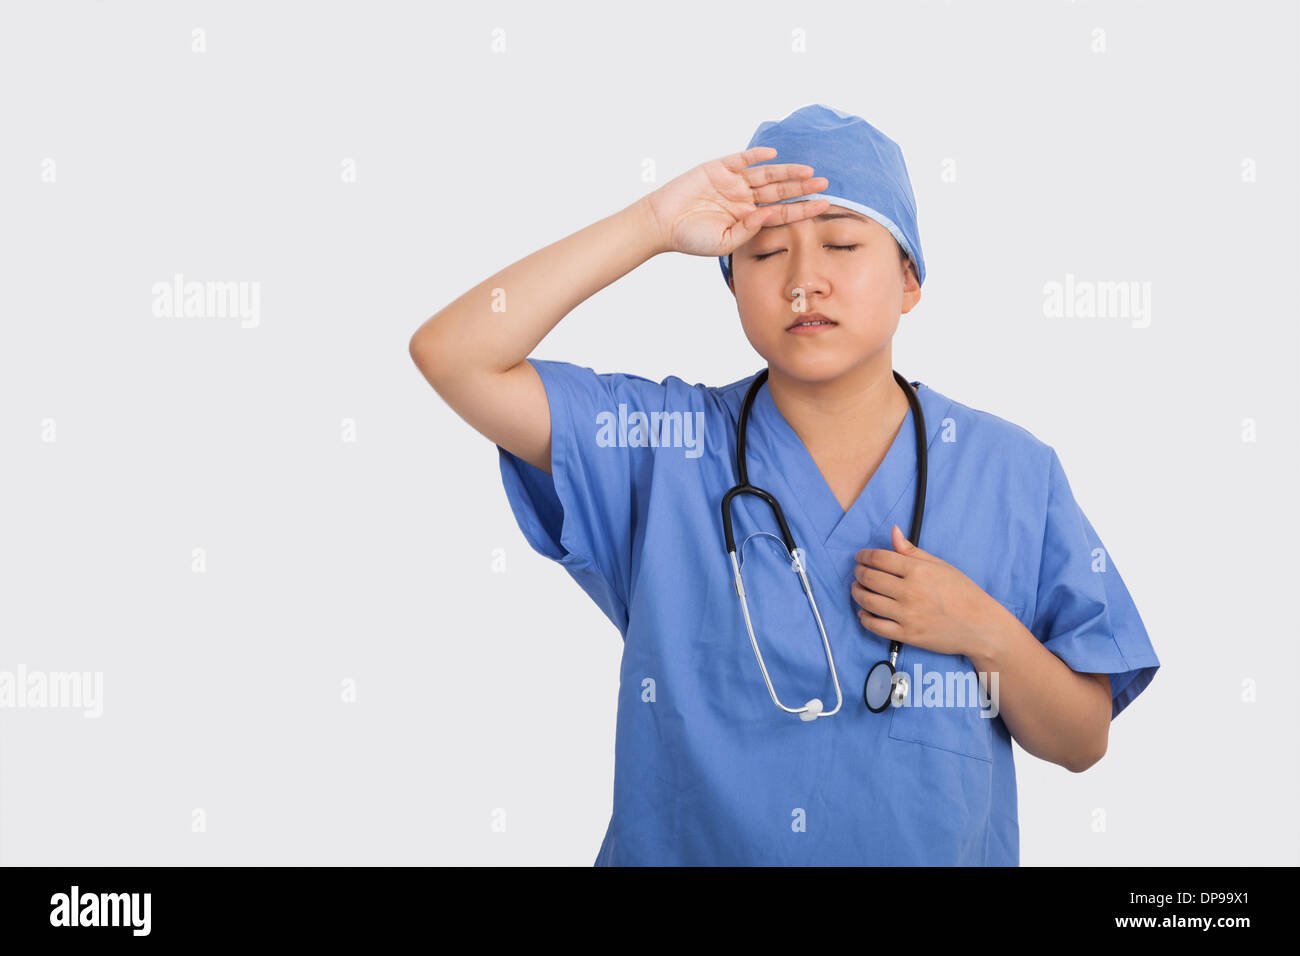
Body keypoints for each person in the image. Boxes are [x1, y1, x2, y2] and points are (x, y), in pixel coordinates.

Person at [408, 103, 1160, 866]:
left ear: (909, 279)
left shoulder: (1010, 473)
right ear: (731, 283)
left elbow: (1081, 741)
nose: (805, 282)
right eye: (766, 254)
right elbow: (453, 355)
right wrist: (652, 223)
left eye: (840, 242)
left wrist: (979, 627)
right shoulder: (657, 448)